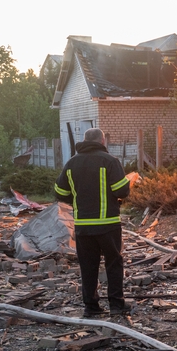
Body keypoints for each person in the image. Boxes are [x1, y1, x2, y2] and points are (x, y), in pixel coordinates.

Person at [54, 128, 131, 318]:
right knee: (113, 263)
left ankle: (91, 307)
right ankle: (116, 305)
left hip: (83, 226)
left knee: (88, 266)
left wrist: (77, 200)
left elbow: (60, 192)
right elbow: (121, 191)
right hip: (108, 224)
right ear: (102, 141)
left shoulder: (71, 163)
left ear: (85, 140)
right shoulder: (110, 161)